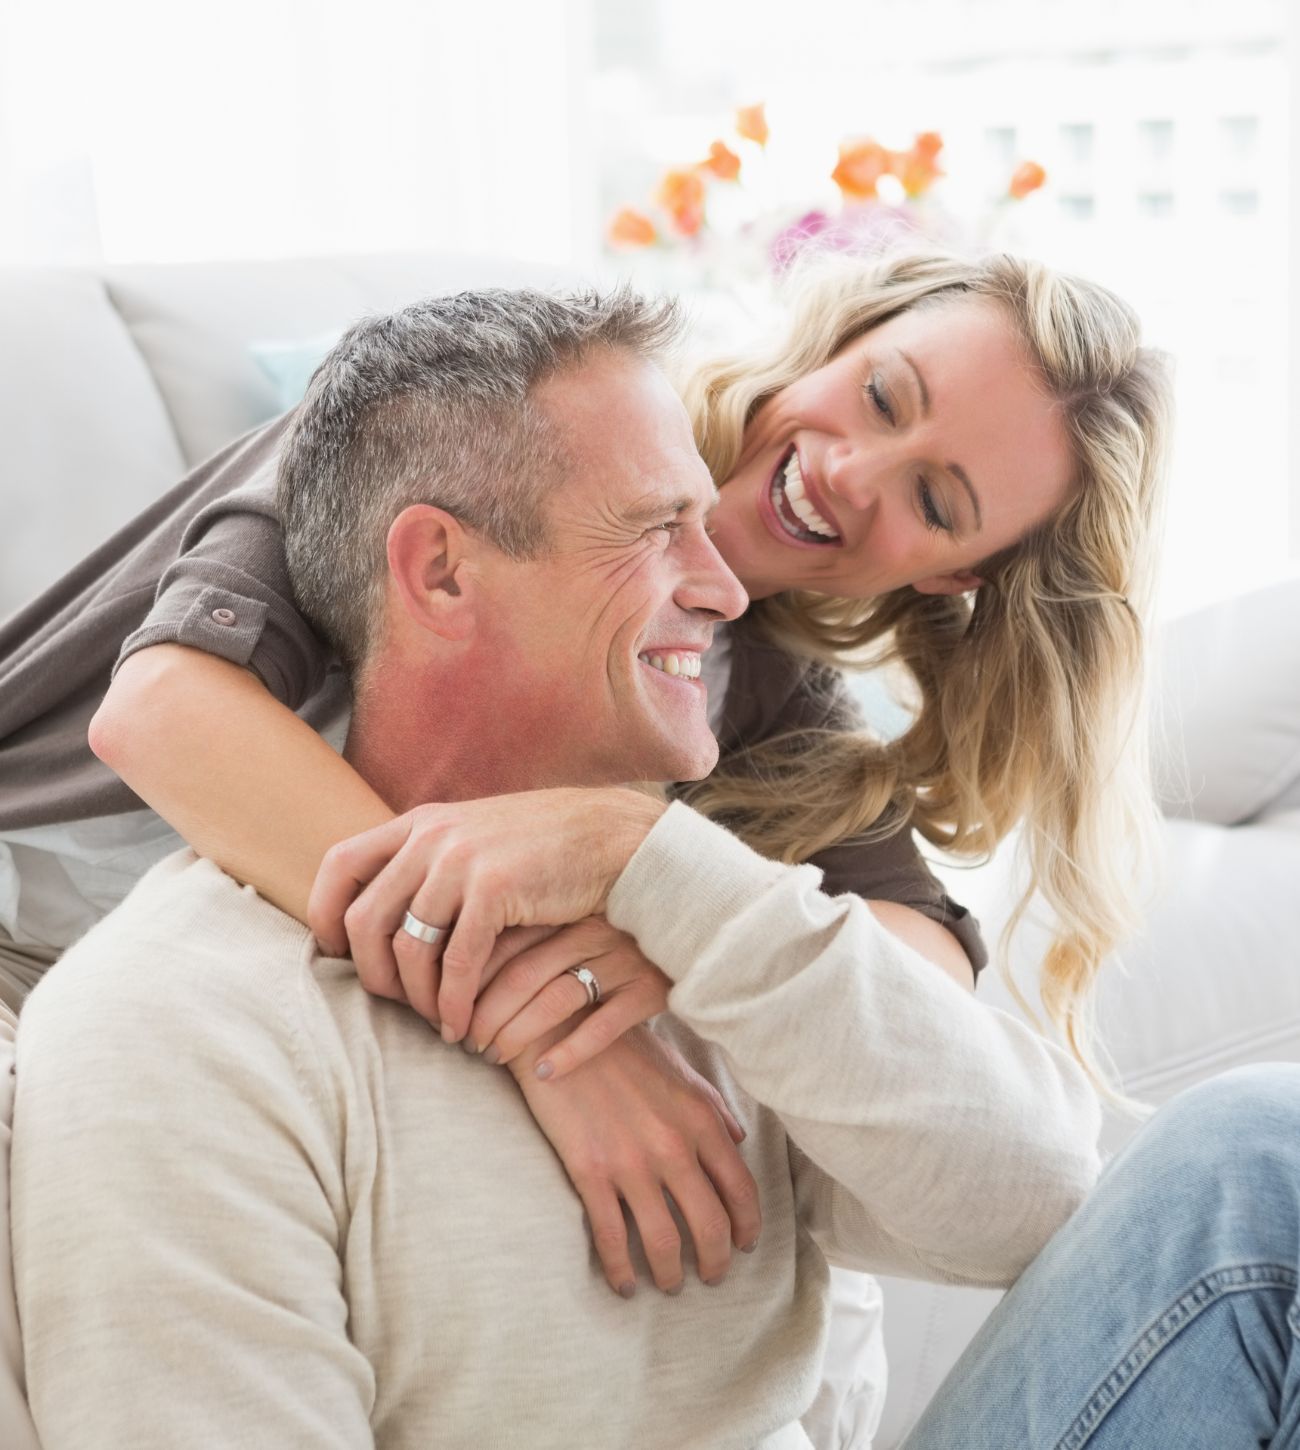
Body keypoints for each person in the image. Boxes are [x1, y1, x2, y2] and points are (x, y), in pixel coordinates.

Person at [0, 250, 1169, 1443]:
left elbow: (912, 999)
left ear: (955, 576)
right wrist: (552, 1024)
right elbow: (163, 715)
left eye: (934, 500)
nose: (850, 472)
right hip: (30, 923)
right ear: (840, 338)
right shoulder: (468, 429)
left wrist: (700, 924)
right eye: (880, 397)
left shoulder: (776, 712)